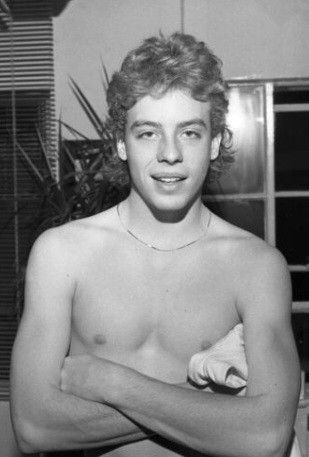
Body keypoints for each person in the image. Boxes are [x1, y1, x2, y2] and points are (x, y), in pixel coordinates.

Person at [10, 32, 300, 457]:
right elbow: (34, 426)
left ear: (215, 141)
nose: (169, 154)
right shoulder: (61, 255)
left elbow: (267, 436)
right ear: (121, 143)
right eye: (147, 133)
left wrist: (113, 383)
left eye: (190, 133)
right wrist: (213, 411)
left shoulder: (257, 267)